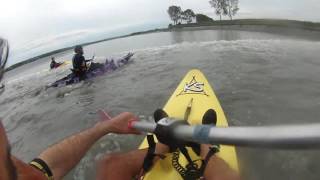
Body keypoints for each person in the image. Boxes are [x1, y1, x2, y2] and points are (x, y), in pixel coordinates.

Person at [1, 38, 240, 180]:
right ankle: (205, 148)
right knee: (109, 165)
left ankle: (162, 147)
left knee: (108, 163)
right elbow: (81, 69)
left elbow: (47, 166)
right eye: (11, 167)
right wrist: (88, 66)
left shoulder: (21, 171)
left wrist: (102, 128)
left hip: (79, 75)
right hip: (81, 76)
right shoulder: (77, 59)